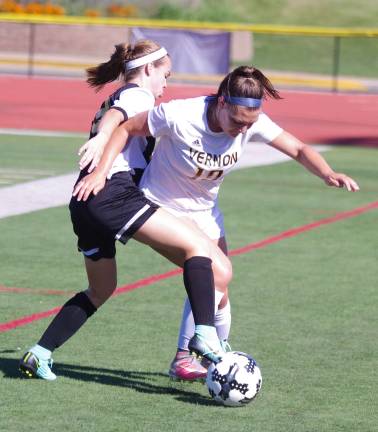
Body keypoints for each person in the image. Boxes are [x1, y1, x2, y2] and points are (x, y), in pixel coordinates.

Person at [72, 65, 360, 381]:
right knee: (219, 273)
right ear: (221, 102)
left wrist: (327, 173)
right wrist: (100, 172)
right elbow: (125, 128)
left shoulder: (250, 121)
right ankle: (193, 355)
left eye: (248, 124)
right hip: (161, 204)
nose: (241, 129)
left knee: (219, 287)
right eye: (237, 121)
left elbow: (298, 148)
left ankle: (206, 358)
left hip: (205, 212)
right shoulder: (180, 114)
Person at [19, 40, 227, 381]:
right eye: (166, 75)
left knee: (101, 289)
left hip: (83, 201)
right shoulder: (137, 94)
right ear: (148, 69)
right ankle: (204, 335)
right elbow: (119, 117)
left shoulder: (122, 96)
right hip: (111, 193)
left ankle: (39, 352)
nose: (166, 85)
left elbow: (118, 116)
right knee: (199, 248)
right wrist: (103, 140)